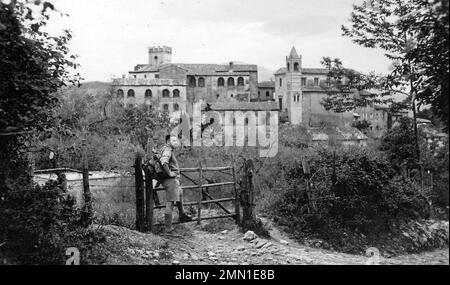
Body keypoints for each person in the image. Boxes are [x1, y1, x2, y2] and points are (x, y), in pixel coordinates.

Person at [160, 134, 192, 232]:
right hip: (171, 181)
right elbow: (163, 162)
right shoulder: (168, 151)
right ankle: (168, 228)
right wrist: (169, 173)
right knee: (170, 203)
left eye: (176, 141)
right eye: (173, 141)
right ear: (168, 142)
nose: (176, 142)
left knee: (180, 192)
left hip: (172, 181)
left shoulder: (166, 149)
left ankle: (182, 214)